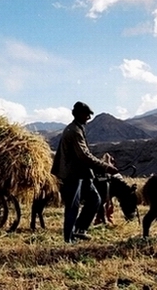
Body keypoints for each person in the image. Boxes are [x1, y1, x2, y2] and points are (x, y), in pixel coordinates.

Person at [51, 101, 119, 243]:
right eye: (86, 114)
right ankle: (68, 239)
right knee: (72, 207)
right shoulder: (74, 131)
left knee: (95, 199)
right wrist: (105, 167)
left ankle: (79, 230)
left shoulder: (76, 128)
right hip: (72, 174)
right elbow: (84, 155)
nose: (88, 117)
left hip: (81, 174)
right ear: (79, 114)